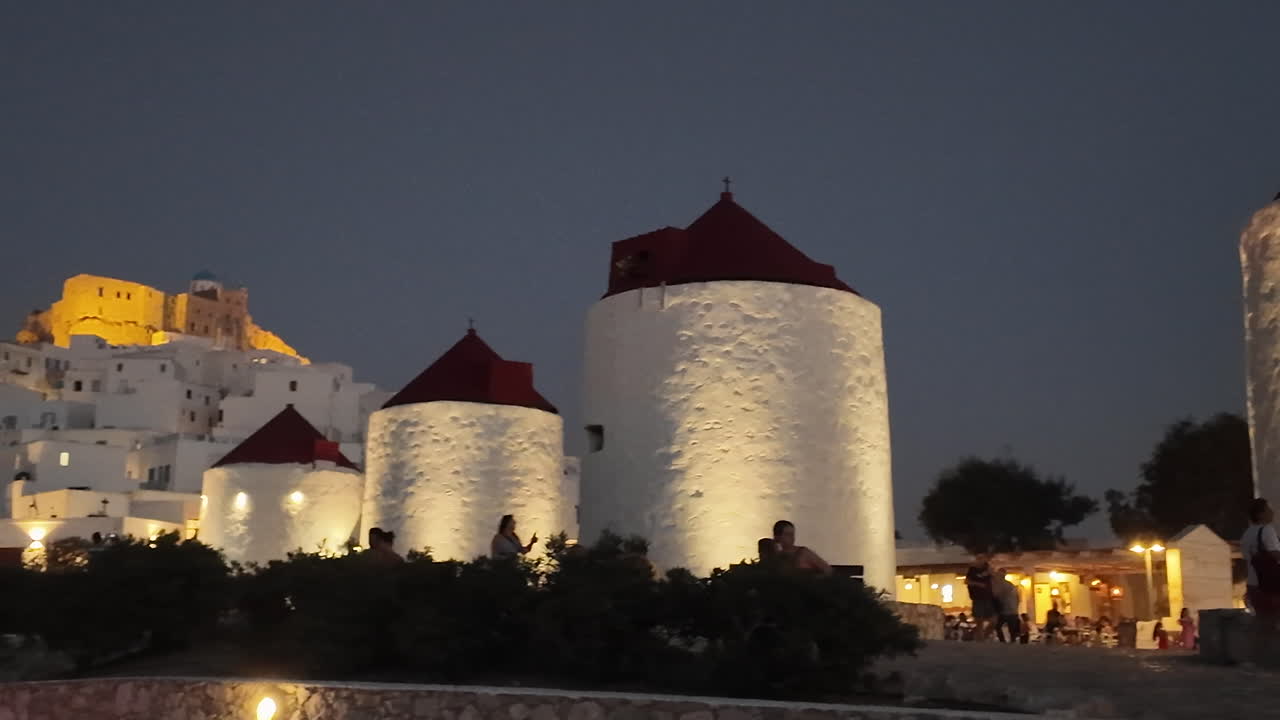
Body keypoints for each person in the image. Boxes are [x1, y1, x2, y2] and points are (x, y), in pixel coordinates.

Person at [1241, 498, 1280, 619]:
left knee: (1264, 623)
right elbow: (1275, 554)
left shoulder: (1247, 534)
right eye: (1268, 509)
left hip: (1253, 586)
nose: (1272, 512)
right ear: (1260, 514)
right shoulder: (1267, 530)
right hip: (1270, 587)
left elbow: (1247, 560)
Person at [965, 554, 996, 641]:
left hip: (988, 597)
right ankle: (980, 640)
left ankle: (984, 637)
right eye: (979, 558)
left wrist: (992, 573)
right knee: (979, 621)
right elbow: (967, 581)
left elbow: (994, 578)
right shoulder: (973, 569)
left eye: (982, 558)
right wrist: (979, 584)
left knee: (994, 620)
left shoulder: (988, 568)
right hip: (977, 598)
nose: (980, 560)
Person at [992, 567, 1022, 643]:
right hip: (1012, 611)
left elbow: (998, 596)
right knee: (1011, 630)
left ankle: (1003, 641)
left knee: (998, 626)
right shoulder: (1010, 585)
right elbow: (1018, 599)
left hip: (1006, 611)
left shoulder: (1002, 585)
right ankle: (1010, 643)